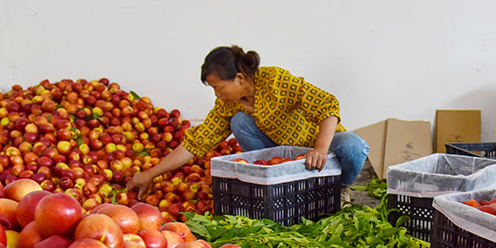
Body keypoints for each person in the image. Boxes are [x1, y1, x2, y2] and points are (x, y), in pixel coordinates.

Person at [127, 45, 370, 197]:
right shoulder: (228, 104)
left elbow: (327, 105)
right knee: (239, 121)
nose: (216, 94)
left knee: (353, 145)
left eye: (219, 87)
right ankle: (273, 182)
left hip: (319, 147)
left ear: (239, 78)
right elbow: (195, 143)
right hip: (281, 156)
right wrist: (150, 174)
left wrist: (320, 148)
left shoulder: (276, 80)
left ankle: (340, 188)